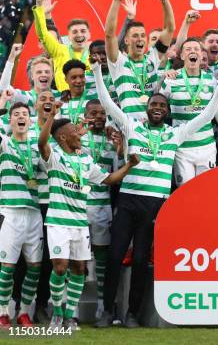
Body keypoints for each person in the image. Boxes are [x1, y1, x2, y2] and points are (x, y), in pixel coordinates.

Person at [91, 60, 218, 328]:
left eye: (162, 106)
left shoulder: (176, 134)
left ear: (167, 112)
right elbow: (108, 105)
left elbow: (207, 116)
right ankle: (108, 310)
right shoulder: (132, 127)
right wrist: (96, 73)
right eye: (154, 104)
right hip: (128, 201)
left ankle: (132, 314)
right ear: (147, 108)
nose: (157, 108)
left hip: (155, 206)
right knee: (116, 255)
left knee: (141, 259)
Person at [38, 101, 139, 330]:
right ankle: (58, 313)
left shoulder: (85, 160)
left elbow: (109, 180)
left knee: (79, 269)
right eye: (75, 133)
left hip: (80, 224)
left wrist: (128, 166)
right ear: (63, 138)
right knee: (60, 267)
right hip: (58, 222)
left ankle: (70, 318)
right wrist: (52, 116)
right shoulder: (54, 158)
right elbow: (42, 142)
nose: (80, 134)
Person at [159, 37, 218, 184]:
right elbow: (158, 106)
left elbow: (217, 109)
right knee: (184, 192)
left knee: (205, 190)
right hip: (182, 148)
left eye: (196, 49)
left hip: (207, 147)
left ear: (201, 55)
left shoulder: (212, 80)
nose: (192, 52)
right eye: (188, 49)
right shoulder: (171, 80)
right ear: (182, 56)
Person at [104, 0, 175, 121]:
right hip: (131, 129)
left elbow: (169, 29)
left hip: (154, 126)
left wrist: (165, 1)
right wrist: (116, 1)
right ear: (126, 40)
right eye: (135, 36)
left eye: (143, 35)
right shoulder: (118, 62)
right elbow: (109, 34)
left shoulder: (152, 58)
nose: (140, 39)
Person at [0, 102, 44, 328]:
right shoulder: (5, 144)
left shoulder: (37, 147)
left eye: (24, 114)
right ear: (10, 120)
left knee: (34, 267)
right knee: (7, 268)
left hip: (34, 214)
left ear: (30, 119)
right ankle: (3, 311)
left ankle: (25, 312)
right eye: (15, 114)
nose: (20, 117)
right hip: (10, 213)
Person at [80, 99, 123, 318]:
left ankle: (101, 303)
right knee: (74, 258)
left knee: (102, 255)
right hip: (78, 203)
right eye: (93, 113)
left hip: (102, 205)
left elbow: (116, 178)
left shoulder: (110, 141)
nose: (98, 117)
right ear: (85, 114)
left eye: (102, 113)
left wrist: (119, 149)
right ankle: (71, 307)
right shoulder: (77, 139)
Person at [32, 0, 91, 92]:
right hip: (65, 104)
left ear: (89, 34)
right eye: (75, 32)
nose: (79, 34)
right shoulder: (59, 51)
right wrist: (40, 6)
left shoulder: (95, 55)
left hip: (90, 104)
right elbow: (43, 34)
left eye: (83, 31)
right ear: (68, 36)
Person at [0, 43, 56, 117]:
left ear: (52, 75)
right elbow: (3, 88)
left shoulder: (60, 96)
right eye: (39, 72)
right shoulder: (25, 96)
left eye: (47, 72)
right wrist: (12, 57)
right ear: (32, 76)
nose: (43, 74)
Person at [57, 60, 97, 125]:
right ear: (66, 80)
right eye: (74, 77)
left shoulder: (95, 97)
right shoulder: (61, 102)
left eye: (81, 76)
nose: (78, 81)